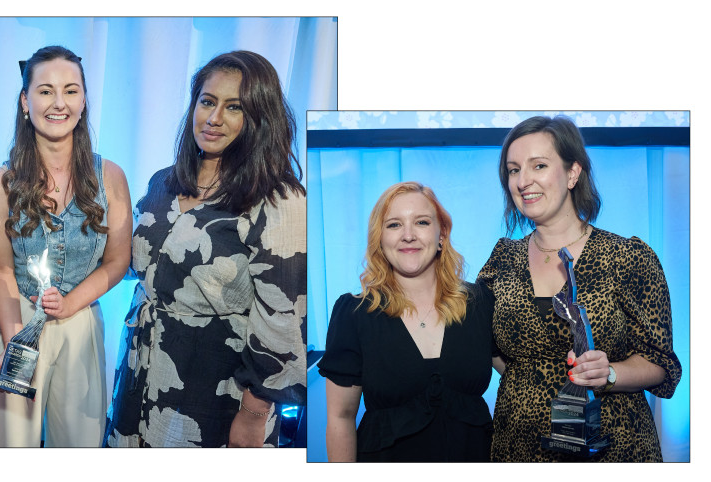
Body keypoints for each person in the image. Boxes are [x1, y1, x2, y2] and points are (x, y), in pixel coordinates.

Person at [105, 50, 306, 448]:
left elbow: (283, 322)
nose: (214, 118)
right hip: (138, 375)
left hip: (218, 392)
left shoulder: (278, 199)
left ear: (260, 118)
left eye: (234, 107)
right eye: (207, 101)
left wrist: (252, 414)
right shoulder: (164, 181)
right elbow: (144, 266)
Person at [477, 115, 681, 461]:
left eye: (538, 165)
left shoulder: (627, 257)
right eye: (513, 170)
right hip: (519, 447)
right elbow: (481, 342)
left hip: (612, 447)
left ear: (573, 173)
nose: (523, 181)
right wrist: (529, 375)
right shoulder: (503, 258)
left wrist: (611, 373)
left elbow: (661, 363)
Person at [0, 45, 131, 448]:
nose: (58, 102)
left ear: (84, 102)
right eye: (45, 91)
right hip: (14, 321)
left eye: (71, 90)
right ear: (25, 102)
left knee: (78, 445)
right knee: (11, 446)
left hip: (81, 324)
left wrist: (71, 303)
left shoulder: (110, 176)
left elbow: (118, 261)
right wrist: (17, 343)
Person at [319, 182, 495, 462]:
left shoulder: (479, 302)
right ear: (379, 239)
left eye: (422, 222)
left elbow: (523, 371)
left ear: (441, 235)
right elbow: (340, 418)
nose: (408, 235)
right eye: (394, 225)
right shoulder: (353, 313)